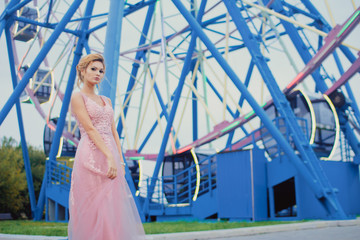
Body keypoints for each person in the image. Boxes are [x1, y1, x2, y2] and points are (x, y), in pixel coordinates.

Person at [68, 53, 146, 239]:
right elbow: (90, 129)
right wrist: (110, 157)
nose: (98, 74)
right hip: (91, 154)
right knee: (93, 205)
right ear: (82, 70)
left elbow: (114, 133)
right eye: (93, 69)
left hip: (110, 153)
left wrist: (119, 160)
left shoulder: (107, 101)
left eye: (101, 71)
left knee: (112, 204)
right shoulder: (77, 97)